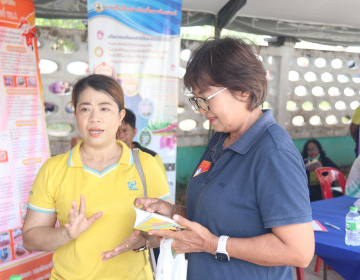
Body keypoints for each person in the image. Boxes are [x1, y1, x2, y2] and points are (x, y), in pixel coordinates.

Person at [134, 37, 314, 279]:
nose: (200, 109)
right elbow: (224, 216)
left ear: (242, 89)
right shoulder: (221, 138)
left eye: (205, 98)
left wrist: (212, 244)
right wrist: (174, 212)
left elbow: (299, 251)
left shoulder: (273, 153)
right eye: (196, 99)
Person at [22, 74, 171, 279]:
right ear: (75, 113)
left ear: (120, 116)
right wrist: (66, 234)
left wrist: (142, 241)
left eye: (104, 108)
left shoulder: (145, 165)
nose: (94, 118)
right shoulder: (53, 169)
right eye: (85, 109)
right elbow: (30, 239)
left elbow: (165, 231)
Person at [117, 108, 166, 177]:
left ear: (134, 132)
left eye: (125, 130)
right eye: (117, 130)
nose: (120, 135)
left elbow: (160, 186)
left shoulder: (152, 157)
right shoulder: (107, 158)